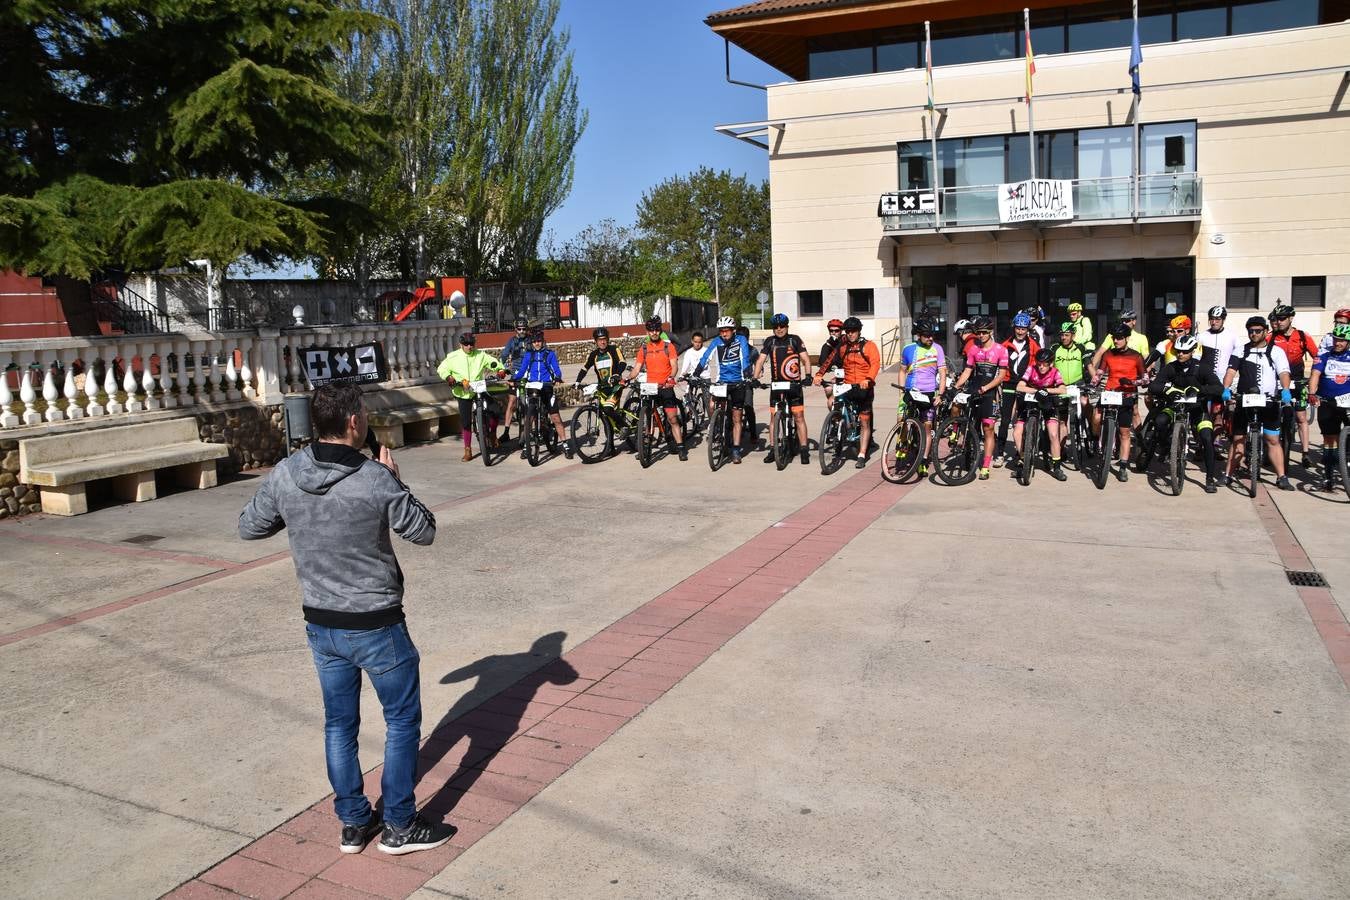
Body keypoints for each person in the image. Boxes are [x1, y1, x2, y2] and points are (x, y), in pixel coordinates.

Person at [238, 383, 452, 857]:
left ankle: (353, 823)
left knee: (339, 725)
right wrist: (397, 480)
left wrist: (291, 511)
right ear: (354, 422)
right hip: (377, 624)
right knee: (400, 723)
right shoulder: (376, 478)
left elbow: (249, 526)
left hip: (322, 625)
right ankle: (399, 824)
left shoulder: (286, 473)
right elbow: (425, 531)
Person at [1137, 334, 1224, 493]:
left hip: (1197, 409)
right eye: (1178, 351)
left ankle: (1210, 478)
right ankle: (1166, 445)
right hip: (1175, 406)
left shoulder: (1202, 368)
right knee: (1160, 421)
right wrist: (1168, 390)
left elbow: (1218, 388)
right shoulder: (1170, 367)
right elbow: (1154, 386)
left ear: (1192, 352)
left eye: (1185, 352)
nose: (1180, 354)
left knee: (1206, 436)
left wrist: (1200, 390)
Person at [1222, 315, 1294, 491]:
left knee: (1272, 439)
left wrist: (1285, 390)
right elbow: (1231, 371)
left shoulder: (1276, 351)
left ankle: (1282, 477)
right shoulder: (1241, 350)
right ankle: (1228, 476)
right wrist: (1226, 388)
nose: (1253, 334)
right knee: (1238, 439)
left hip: (1268, 400)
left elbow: (1284, 372)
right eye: (1250, 331)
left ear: (1265, 331)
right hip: (1245, 399)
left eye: (1258, 331)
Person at [813, 316, 881, 468]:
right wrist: (819, 375)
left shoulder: (869, 346)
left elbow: (875, 364)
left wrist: (868, 379)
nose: (850, 334)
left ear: (859, 331)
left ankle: (862, 454)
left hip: (864, 387)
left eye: (853, 331)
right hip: (848, 385)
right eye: (848, 331)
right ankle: (840, 428)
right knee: (836, 405)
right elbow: (829, 360)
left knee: (864, 420)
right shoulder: (842, 347)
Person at [949, 317, 1007, 480]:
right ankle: (960, 434)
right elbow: (967, 371)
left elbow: (1001, 376)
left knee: (988, 429)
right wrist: (956, 386)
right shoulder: (974, 349)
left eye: (984, 332)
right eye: (978, 332)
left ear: (990, 332)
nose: (980, 335)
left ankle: (985, 466)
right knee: (963, 412)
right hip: (975, 388)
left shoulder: (1000, 350)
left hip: (990, 391)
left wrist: (987, 388)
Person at [437, 331, 509, 462]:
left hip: (479, 390)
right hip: (462, 392)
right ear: (461, 345)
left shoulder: (480, 355)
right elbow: (442, 368)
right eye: (466, 344)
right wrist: (449, 377)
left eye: (472, 344)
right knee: (465, 422)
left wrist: (500, 369)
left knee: (496, 411)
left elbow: (492, 362)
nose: (469, 346)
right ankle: (467, 449)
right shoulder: (452, 357)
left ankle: (492, 434)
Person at [1089, 323, 1147, 482]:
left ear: (1127, 338)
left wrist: (1132, 382)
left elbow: (1145, 379)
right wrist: (1093, 383)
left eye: (1120, 338)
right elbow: (1100, 372)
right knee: (1096, 417)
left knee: (1125, 432)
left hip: (1127, 395)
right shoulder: (1108, 354)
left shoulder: (1136, 356)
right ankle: (1096, 441)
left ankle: (1122, 466)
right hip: (1110, 392)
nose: (1116, 341)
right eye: (1114, 338)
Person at [625, 315, 687, 461]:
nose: (654, 333)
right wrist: (627, 378)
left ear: (660, 331)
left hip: (665, 385)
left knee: (672, 418)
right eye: (651, 330)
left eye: (656, 330)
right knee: (647, 416)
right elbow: (637, 368)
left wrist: (671, 378)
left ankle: (681, 447)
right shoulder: (644, 348)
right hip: (650, 387)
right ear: (647, 332)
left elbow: (674, 366)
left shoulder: (668, 346)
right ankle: (644, 446)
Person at [754, 312, 812, 465]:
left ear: (787, 326)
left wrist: (808, 376)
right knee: (773, 417)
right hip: (776, 385)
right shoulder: (770, 341)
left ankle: (804, 450)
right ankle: (773, 450)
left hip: (794, 385)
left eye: (782, 326)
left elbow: (805, 359)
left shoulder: (795, 340)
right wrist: (755, 378)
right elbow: (760, 360)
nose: (779, 329)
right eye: (776, 327)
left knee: (799, 417)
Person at [694, 316, 753, 462]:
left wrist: (747, 375)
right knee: (712, 405)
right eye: (721, 331)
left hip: (738, 381)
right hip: (722, 382)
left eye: (726, 331)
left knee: (736, 417)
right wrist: (696, 373)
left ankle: (736, 449)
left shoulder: (741, 340)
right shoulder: (717, 342)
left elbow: (745, 358)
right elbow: (705, 357)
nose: (723, 334)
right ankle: (717, 426)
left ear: (733, 330)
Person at [511, 330, 573, 459]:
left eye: (539, 341)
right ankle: (526, 446)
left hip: (546, 387)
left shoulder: (549, 354)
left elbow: (556, 369)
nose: (537, 344)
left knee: (555, 417)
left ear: (543, 341)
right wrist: (514, 379)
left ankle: (565, 444)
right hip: (533, 387)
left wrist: (557, 377)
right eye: (534, 341)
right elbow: (523, 369)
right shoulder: (529, 355)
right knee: (530, 418)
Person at [1269, 303, 1319, 465]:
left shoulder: (1303, 336)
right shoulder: (1271, 337)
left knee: (1301, 417)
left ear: (1291, 318)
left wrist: (1313, 378)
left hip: (1297, 380)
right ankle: (1267, 450)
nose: (1280, 322)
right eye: (1277, 319)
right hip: (1277, 381)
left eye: (1283, 318)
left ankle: (1305, 452)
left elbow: (1318, 359)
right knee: (1271, 415)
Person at [898, 318, 947, 476]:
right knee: (901, 420)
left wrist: (940, 394)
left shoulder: (938, 349)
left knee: (927, 427)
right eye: (926, 335)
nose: (930, 338)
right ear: (918, 335)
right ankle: (904, 442)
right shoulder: (908, 349)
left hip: (929, 393)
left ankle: (923, 460)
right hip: (911, 391)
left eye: (932, 335)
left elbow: (942, 373)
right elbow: (902, 371)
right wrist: (901, 391)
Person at [1013, 348, 1069, 481]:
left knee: (1053, 434)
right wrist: (1035, 390)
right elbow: (1019, 386)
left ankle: (1057, 467)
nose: (1041, 367)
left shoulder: (1055, 372)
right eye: (1039, 363)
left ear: (1051, 364)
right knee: (1016, 433)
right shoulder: (1031, 369)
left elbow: (1063, 388)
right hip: (1031, 402)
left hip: (1047, 402)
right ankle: (1023, 461)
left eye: (1045, 364)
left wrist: (1046, 390)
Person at [1308, 323, 1350, 491]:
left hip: (1348, 401)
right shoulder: (1324, 356)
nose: (1338, 343)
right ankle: (1328, 477)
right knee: (1329, 440)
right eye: (1336, 339)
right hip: (1328, 402)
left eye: (1342, 340)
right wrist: (1312, 393)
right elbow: (1315, 375)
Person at [995, 312, 1040, 467]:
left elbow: (1038, 365)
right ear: (1014, 328)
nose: (1020, 331)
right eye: (1018, 328)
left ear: (1028, 329)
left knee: (1023, 419)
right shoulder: (1004, 345)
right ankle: (1000, 454)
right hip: (1008, 383)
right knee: (1005, 419)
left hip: (1026, 385)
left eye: (1023, 329)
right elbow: (998, 364)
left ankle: (1021, 452)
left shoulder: (1033, 345)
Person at [574, 327, 626, 409]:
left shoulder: (614, 349)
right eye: (599, 340)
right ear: (595, 341)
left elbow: (623, 362)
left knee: (608, 409)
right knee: (601, 412)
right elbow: (585, 368)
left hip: (616, 387)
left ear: (608, 339)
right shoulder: (593, 355)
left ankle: (621, 422)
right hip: (602, 388)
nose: (602, 342)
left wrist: (617, 374)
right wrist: (578, 381)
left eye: (604, 339)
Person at [497, 316, 531, 440]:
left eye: (524, 329)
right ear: (515, 329)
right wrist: (501, 369)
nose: (521, 331)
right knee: (511, 403)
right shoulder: (511, 341)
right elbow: (504, 356)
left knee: (532, 403)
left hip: (530, 374)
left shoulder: (531, 340)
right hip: (516, 374)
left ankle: (538, 426)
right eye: (519, 329)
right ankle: (506, 432)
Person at [737, 324, 762, 451]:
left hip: (747, 383)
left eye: (743, 338)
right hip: (733, 382)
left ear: (747, 338)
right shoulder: (731, 349)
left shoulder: (752, 351)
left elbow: (759, 368)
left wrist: (755, 378)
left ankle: (753, 434)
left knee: (748, 407)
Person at [819, 319, 845, 409]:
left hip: (847, 376)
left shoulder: (845, 343)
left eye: (836, 331)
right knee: (828, 390)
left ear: (841, 331)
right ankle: (835, 417)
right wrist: (828, 345)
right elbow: (822, 363)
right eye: (831, 331)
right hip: (835, 377)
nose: (834, 333)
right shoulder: (827, 345)